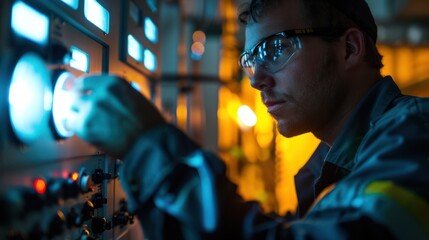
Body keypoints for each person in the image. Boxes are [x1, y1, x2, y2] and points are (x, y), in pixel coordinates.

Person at [70, 0, 429, 239]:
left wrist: (146, 148)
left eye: (275, 49)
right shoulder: (340, 164)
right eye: (250, 60)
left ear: (349, 48)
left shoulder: (413, 138)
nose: (257, 79)